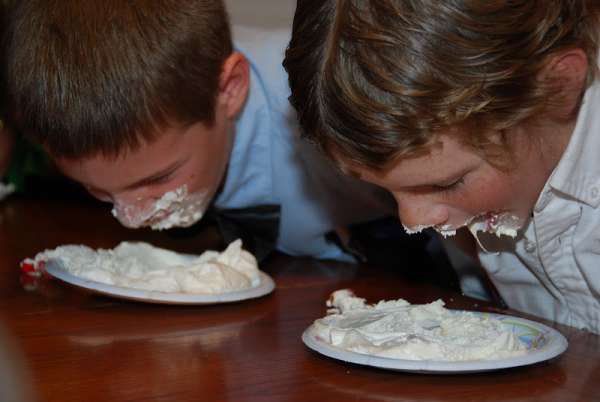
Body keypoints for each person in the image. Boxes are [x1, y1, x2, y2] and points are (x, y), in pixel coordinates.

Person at [1, 0, 410, 266]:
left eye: (159, 179)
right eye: (100, 193)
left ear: (230, 89)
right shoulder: (165, 125)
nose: (130, 217)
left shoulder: (339, 105)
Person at [283, 0, 600, 333]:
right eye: (382, 189)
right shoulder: (483, 172)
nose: (412, 221)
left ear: (557, 87)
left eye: (447, 183)